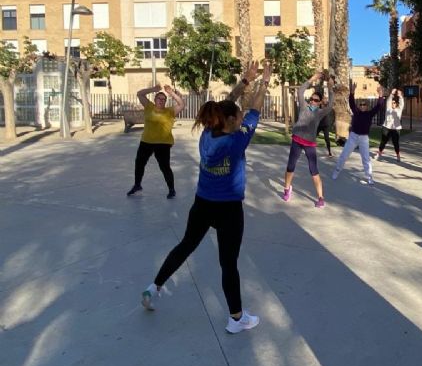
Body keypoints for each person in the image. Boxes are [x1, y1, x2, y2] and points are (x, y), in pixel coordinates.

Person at [141, 62, 271, 334]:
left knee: (186, 245)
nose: (241, 116)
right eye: (239, 116)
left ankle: (154, 287)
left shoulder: (207, 135)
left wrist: (245, 82)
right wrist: (264, 81)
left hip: (202, 204)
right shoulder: (237, 141)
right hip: (228, 211)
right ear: (233, 121)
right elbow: (256, 108)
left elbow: (227, 104)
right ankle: (237, 319)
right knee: (228, 265)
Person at [282, 72, 335, 207]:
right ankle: (287, 189)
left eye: (316, 100)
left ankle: (321, 198)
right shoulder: (304, 106)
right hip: (297, 140)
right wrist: (311, 79)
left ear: (319, 103)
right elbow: (300, 91)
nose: (313, 101)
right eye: (312, 99)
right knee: (290, 166)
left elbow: (330, 105)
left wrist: (330, 87)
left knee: (313, 170)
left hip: (309, 144)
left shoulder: (319, 113)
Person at [126, 84, 185, 199]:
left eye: (164, 99)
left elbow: (181, 104)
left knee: (165, 167)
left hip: (163, 144)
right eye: (159, 98)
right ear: (155, 99)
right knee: (139, 164)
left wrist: (171, 93)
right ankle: (137, 185)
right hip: (146, 141)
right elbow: (140, 94)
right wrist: (153, 89)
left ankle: (171, 189)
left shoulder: (170, 111)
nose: (161, 101)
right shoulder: (149, 106)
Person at [332, 83, 384, 185]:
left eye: (364, 104)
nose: (362, 106)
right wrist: (352, 92)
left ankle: (369, 177)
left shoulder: (370, 114)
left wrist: (381, 95)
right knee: (344, 155)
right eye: (361, 104)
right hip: (353, 137)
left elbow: (378, 106)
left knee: (366, 159)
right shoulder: (356, 112)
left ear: (367, 106)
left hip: (364, 138)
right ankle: (337, 171)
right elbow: (351, 103)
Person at [376, 88, 404, 161]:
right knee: (383, 141)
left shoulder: (399, 110)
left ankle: (398, 155)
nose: (393, 104)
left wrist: (400, 96)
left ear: (396, 104)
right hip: (387, 127)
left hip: (395, 129)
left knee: (396, 143)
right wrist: (391, 94)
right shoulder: (388, 109)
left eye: (394, 103)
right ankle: (379, 153)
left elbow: (402, 103)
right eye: (392, 103)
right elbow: (388, 101)